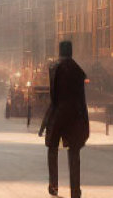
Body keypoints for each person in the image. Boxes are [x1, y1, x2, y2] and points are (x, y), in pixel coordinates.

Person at [38, 40, 89, 197]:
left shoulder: (54, 68)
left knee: (52, 149)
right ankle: (75, 190)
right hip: (75, 116)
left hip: (58, 114)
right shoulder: (78, 71)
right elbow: (82, 99)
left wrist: (45, 121)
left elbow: (53, 98)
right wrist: (85, 122)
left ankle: (53, 185)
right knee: (74, 153)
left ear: (60, 51)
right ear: (71, 52)